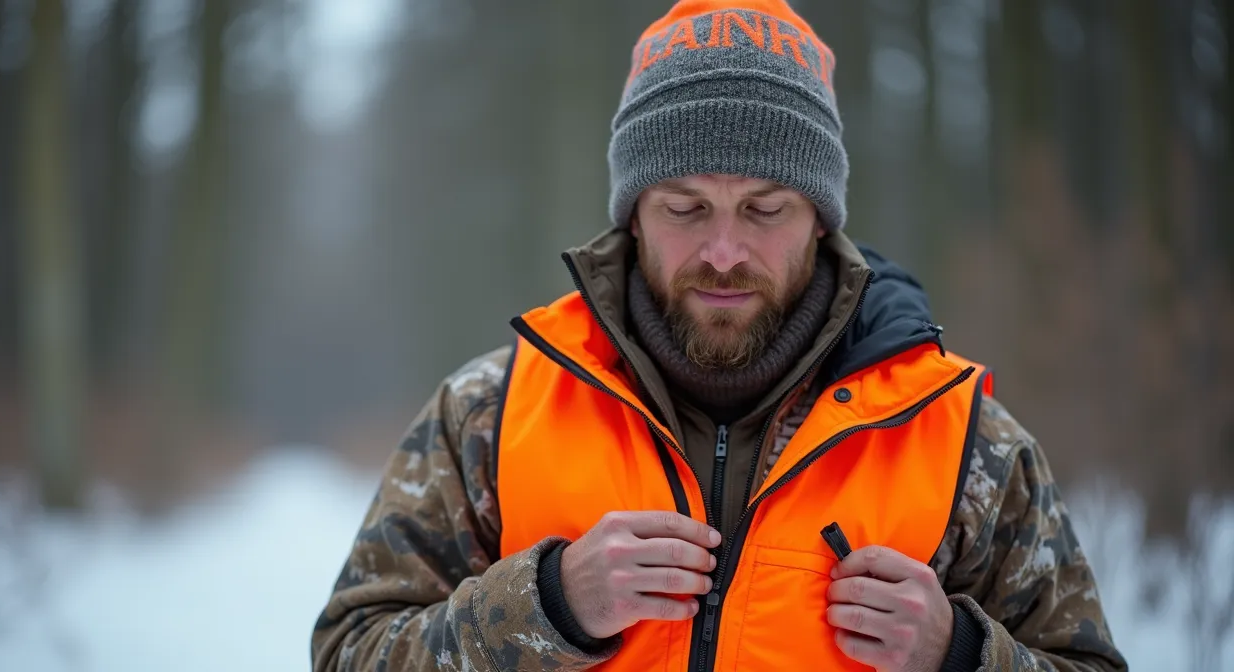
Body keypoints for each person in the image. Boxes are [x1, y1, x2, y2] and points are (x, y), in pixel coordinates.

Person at [311, 1, 1127, 670]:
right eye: (685, 208)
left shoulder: (959, 437)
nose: (725, 252)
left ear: (821, 219)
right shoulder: (491, 415)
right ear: (632, 214)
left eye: (767, 209)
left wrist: (960, 656)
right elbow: (349, 653)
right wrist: (547, 604)